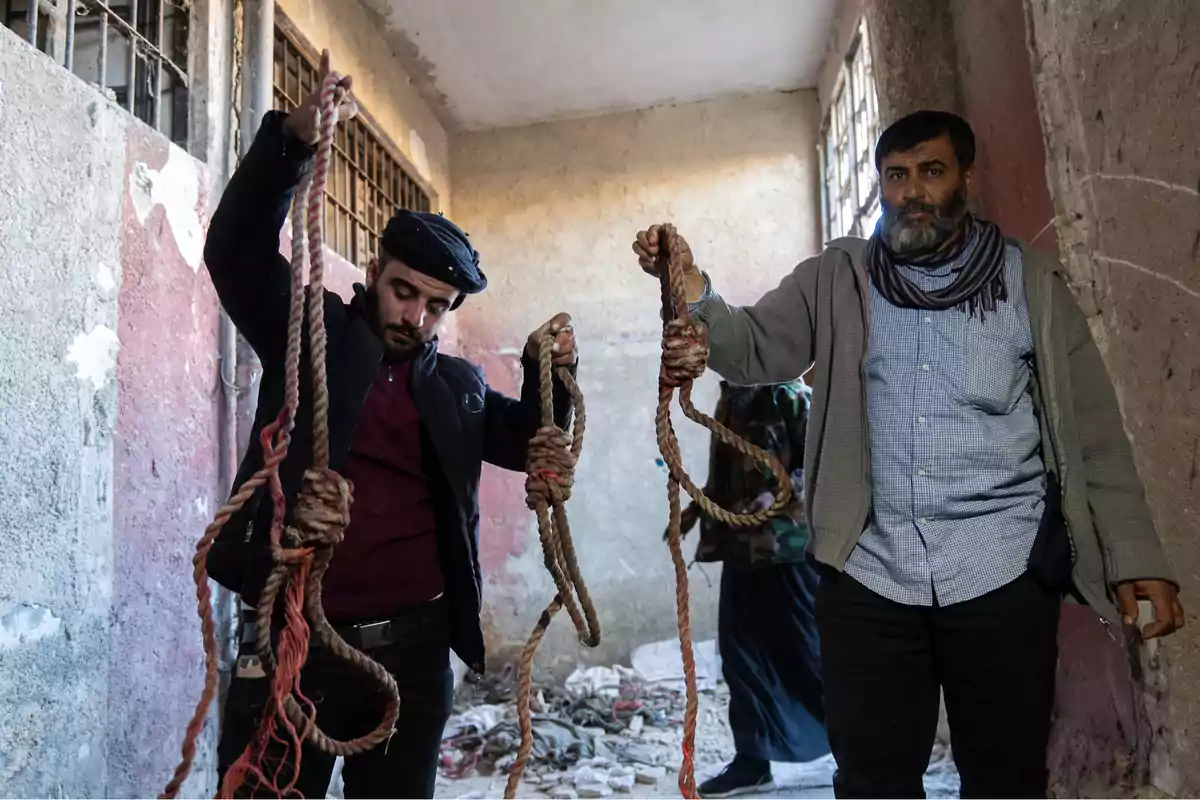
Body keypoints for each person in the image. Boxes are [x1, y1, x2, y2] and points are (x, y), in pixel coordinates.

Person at [633, 110, 1184, 799]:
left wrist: (1137, 560)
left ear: (967, 178)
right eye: (896, 176)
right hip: (870, 573)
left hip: (1002, 572)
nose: (912, 192)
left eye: (931, 172)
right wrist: (692, 288)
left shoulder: (1031, 285)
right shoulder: (836, 278)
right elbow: (752, 350)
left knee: (1006, 779)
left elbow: (1098, 435)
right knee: (871, 781)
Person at [204, 52, 577, 799]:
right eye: (404, 292)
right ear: (374, 272)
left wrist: (553, 371)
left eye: (436, 306)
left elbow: (530, 436)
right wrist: (293, 143)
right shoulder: (306, 331)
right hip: (296, 642)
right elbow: (235, 253)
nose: (416, 315)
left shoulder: (458, 389)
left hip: (412, 656)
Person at [674, 380, 830, 798]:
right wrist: (699, 507)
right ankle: (752, 760)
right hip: (741, 549)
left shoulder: (793, 398)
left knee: (810, 654)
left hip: (788, 549)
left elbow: (825, 464)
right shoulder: (732, 400)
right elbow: (726, 474)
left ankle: (858, 752)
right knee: (742, 657)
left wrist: (780, 495)